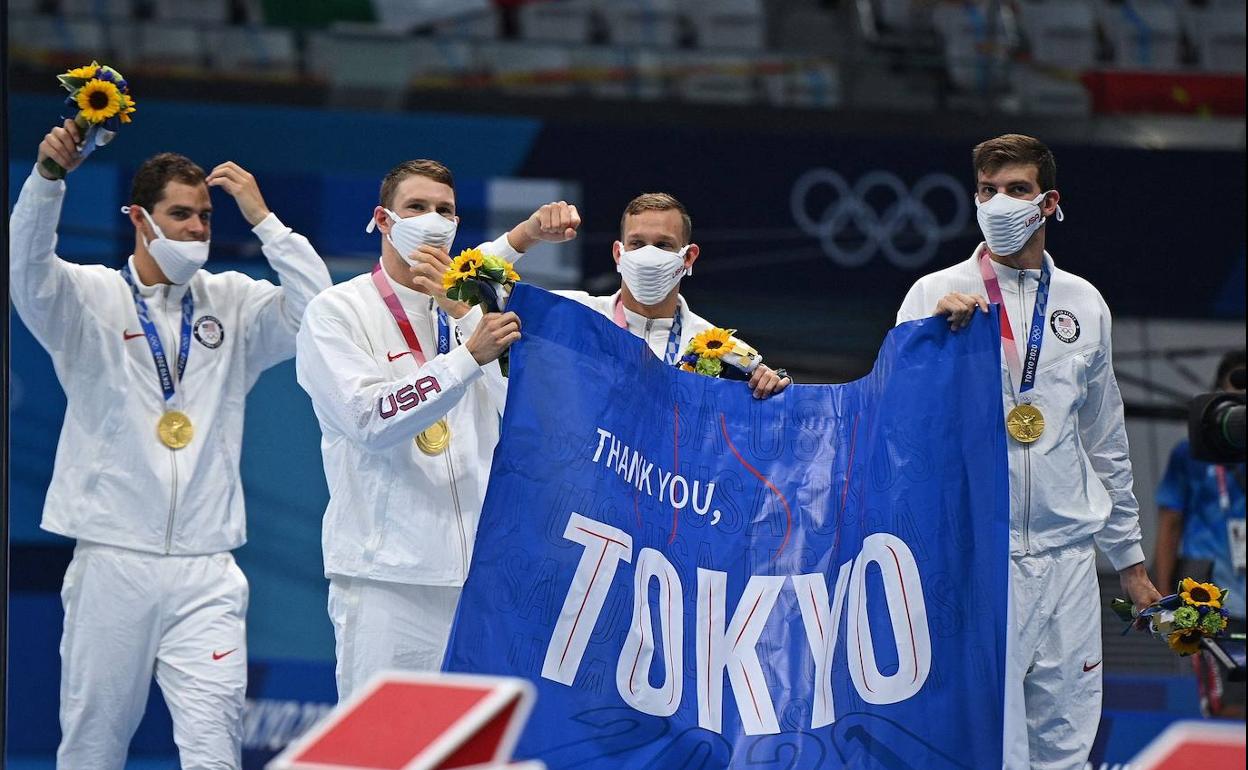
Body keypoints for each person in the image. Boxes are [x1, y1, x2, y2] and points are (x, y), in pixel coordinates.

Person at [9, 119, 332, 768]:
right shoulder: (85, 297)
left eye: (206, 216)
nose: (196, 229)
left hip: (207, 566)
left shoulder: (234, 303)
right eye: (180, 214)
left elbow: (318, 314)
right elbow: (27, 269)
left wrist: (265, 220)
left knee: (215, 747)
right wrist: (47, 181)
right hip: (113, 558)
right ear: (139, 217)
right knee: (93, 745)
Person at [895, 133, 1161, 770]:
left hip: (1068, 557)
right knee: (984, 742)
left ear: (1048, 202)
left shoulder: (1083, 304)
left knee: (1065, 742)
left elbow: (1105, 440)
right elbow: (897, 433)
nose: (1000, 203)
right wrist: (932, 346)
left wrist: (1129, 561)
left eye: (1017, 190)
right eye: (988, 192)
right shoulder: (933, 296)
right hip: (975, 556)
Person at [295, 159, 523, 701]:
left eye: (444, 210)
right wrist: (466, 359)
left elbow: (525, 419)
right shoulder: (337, 311)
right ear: (384, 219)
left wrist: (466, 321)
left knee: (471, 754)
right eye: (416, 208)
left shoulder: (472, 315)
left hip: (476, 580)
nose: (432, 220)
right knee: (378, 754)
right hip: (385, 581)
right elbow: (368, 420)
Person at [497, 192, 792, 398]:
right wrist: (527, 233)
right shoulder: (570, 314)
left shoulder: (722, 349)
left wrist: (773, 389)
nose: (649, 255)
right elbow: (468, 292)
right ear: (618, 253)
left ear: (688, 257)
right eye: (637, 243)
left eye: (663, 245)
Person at [1154, 350, 1245, 717]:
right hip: (1207, 596)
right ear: (1218, 391)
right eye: (1238, 382)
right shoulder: (1190, 453)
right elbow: (1169, 525)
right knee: (1220, 704)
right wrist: (1162, 599)